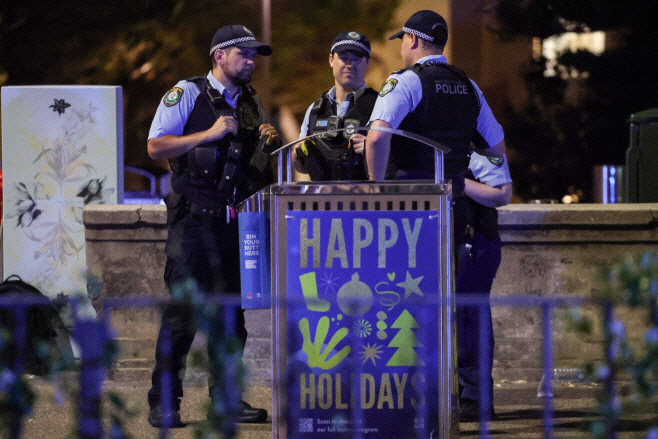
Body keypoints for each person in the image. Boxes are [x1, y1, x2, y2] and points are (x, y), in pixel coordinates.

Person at [146, 24, 278, 428]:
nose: (251, 61)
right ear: (219, 55)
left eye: (254, 54)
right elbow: (155, 145)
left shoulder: (250, 101)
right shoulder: (187, 93)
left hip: (233, 223)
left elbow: (251, 163)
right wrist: (210, 132)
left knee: (232, 320)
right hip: (193, 221)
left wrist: (266, 140)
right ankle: (164, 403)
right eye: (244, 53)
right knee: (182, 317)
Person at [365, 9, 505, 181]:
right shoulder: (470, 86)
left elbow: (377, 137)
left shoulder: (405, 81)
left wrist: (376, 186)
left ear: (412, 39)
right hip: (454, 194)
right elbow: (496, 149)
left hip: (410, 193)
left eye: (403, 39)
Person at [456, 153, 512, 422]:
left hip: (474, 240)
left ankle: (475, 398)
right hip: (450, 239)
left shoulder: (481, 142)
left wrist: (455, 182)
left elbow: (502, 194)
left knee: (468, 319)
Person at [292, 31, 377, 181]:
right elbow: (301, 167)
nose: (349, 64)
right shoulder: (315, 110)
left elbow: (398, 157)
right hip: (323, 195)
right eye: (344, 58)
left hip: (364, 194)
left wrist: (372, 149)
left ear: (367, 63)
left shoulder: (380, 105)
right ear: (331, 60)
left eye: (357, 59)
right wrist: (298, 155)